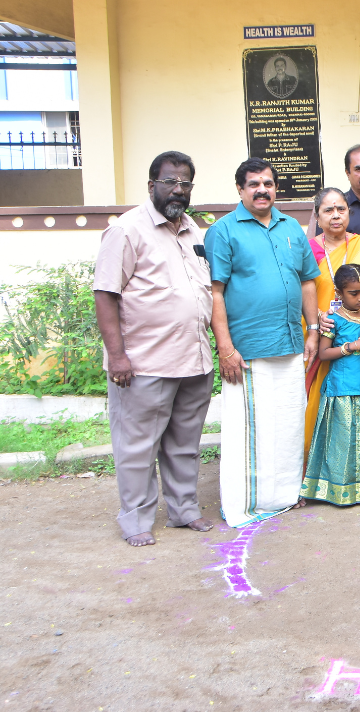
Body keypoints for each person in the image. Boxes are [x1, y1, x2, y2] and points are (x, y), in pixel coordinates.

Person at [93, 150, 216, 547]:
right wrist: (117, 356)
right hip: (145, 363)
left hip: (194, 361)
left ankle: (184, 510)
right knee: (137, 447)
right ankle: (136, 520)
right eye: (170, 182)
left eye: (185, 183)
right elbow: (105, 294)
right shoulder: (127, 230)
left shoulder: (194, 231)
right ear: (152, 185)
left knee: (184, 445)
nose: (178, 189)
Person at [206, 158, 321, 527]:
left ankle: (283, 496)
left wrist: (313, 329)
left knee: (287, 425)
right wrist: (225, 348)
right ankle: (246, 502)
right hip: (246, 349)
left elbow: (306, 280)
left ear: (276, 188)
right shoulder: (224, 231)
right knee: (249, 430)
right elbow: (215, 292)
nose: (262, 190)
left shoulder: (291, 228)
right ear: (240, 189)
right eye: (254, 184)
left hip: (289, 342)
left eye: (268, 184)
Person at [306, 188, 360, 466]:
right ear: (317, 216)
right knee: (320, 400)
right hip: (323, 333)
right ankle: (322, 464)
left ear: (349, 212)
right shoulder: (308, 250)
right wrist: (316, 318)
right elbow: (300, 291)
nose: (336, 215)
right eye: (328, 210)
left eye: (341, 209)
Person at [301, 264, 360, 506]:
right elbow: (323, 354)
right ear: (339, 293)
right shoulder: (333, 320)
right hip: (342, 390)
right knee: (342, 443)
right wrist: (351, 346)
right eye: (354, 293)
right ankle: (340, 491)